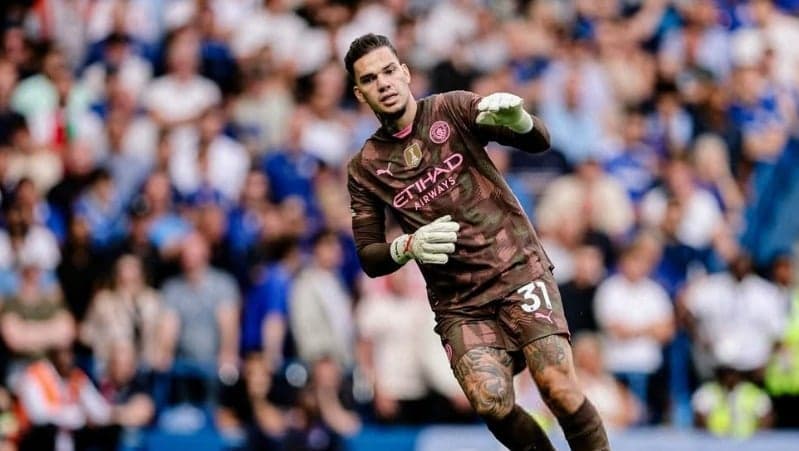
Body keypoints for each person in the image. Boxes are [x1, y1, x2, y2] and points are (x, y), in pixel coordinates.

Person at [344, 34, 609, 451]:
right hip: (459, 302)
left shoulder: (451, 108)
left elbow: (538, 141)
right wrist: (407, 246)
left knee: (557, 386)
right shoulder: (366, 168)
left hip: (517, 271)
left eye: (390, 70)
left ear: (406, 72)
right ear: (361, 93)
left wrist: (520, 122)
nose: (384, 83)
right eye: (371, 78)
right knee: (491, 402)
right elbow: (369, 256)